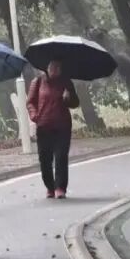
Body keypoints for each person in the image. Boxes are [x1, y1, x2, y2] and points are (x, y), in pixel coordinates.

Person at [26, 59, 79, 199]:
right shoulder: (37, 82)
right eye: (52, 67)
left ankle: (60, 187)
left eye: (58, 67)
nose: (55, 70)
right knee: (45, 159)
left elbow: (75, 103)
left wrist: (68, 97)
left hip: (62, 126)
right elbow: (30, 102)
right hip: (44, 127)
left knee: (61, 157)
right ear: (47, 68)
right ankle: (50, 186)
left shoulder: (66, 82)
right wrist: (34, 115)